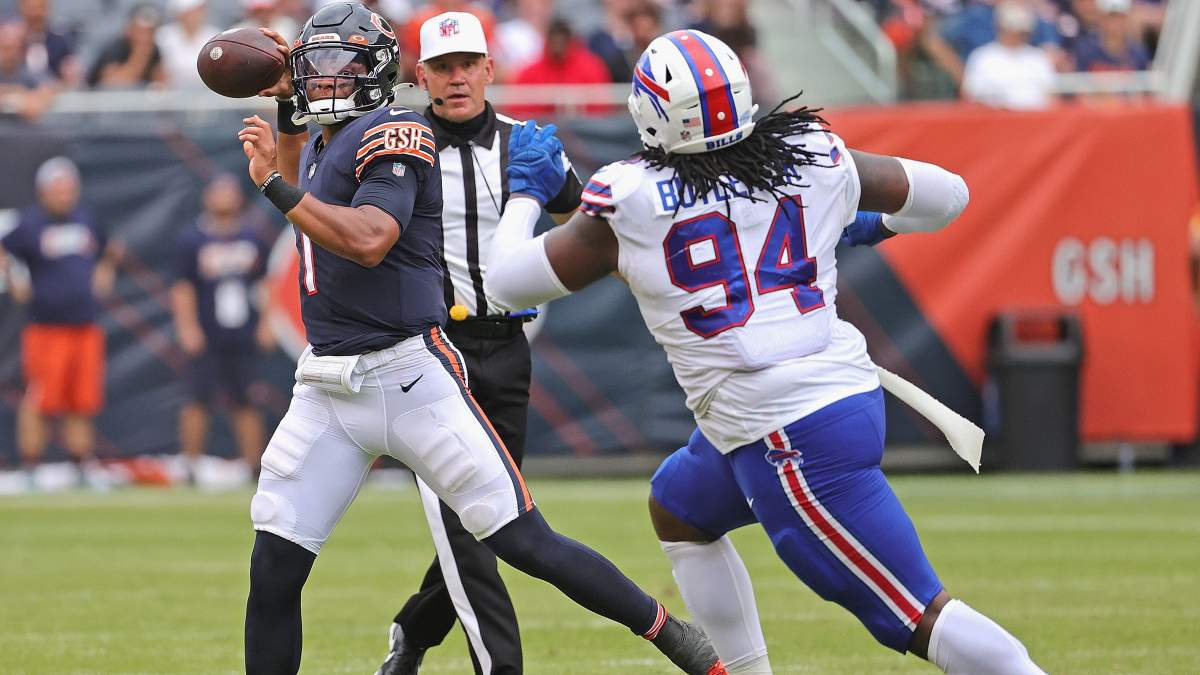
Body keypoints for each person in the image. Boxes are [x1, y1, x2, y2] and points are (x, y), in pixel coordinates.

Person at [485, 29, 1047, 675]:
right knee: (680, 508)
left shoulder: (631, 198)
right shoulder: (809, 154)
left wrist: (524, 191)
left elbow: (505, 283)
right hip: (817, 400)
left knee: (916, 615)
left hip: (786, 428)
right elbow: (949, 195)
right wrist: (869, 219)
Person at [236, 4, 722, 674]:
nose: (325, 79)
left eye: (339, 66)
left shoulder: (398, 132)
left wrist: (270, 183)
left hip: (410, 376)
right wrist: (287, 117)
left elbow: (370, 239)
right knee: (273, 568)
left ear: (379, 71)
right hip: (325, 385)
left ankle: (674, 636)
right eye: (315, 66)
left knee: (523, 541)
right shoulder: (329, 137)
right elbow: (304, 184)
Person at [375, 11, 585, 675]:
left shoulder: (528, 142)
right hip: (435, 353)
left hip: (508, 346)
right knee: (473, 529)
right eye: (442, 67)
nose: (457, 77)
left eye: (467, 63)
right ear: (421, 75)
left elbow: (583, 223)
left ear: (489, 69)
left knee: (493, 520)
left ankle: (413, 629)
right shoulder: (398, 147)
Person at [0, 157, 120, 490]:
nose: (64, 195)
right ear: (43, 192)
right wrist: (14, 278)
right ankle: (30, 466)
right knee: (39, 399)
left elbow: (111, 247)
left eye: (68, 188)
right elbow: (4, 249)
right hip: (46, 327)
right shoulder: (30, 224)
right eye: (58, 188)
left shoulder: (86, 219)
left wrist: (104, 272)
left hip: (84, 325)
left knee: (81, 400)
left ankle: (80, 465)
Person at [171, 174, 273, 486]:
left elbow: (265, 283)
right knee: (197, 398)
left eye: (229, 192)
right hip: (207, 331)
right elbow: (183, 287)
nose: (224, 198)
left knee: (246, 399)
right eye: (219, 192)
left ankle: (254, 466)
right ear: (207, 198)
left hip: (242, 331)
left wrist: (267, 322)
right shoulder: (192, 239)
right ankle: (190, 465)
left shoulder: (252, 237)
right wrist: (188, 327)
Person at [961, 1, 1057, 109]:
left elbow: (1052, 96)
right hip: (994, 116)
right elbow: (969, 95)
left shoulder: (1039, 58)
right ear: (1001, 27)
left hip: (1036, 116)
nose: (1016, 35)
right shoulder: (981, 57)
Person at [86, 3, 165, 89]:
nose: (146, 37)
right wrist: (141, 55)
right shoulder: (115, 47)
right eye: (141, 31)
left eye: (150, 31)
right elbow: (112, 83)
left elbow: (161, 81)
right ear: (130, 29)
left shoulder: (154, 49)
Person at [155, 0, 220, 90]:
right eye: (191, 11)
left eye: (199, 10)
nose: (195, 15)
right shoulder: (162, 36)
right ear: (180, 14)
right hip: (172, 93)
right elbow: (159, 72)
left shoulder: (214, 36)